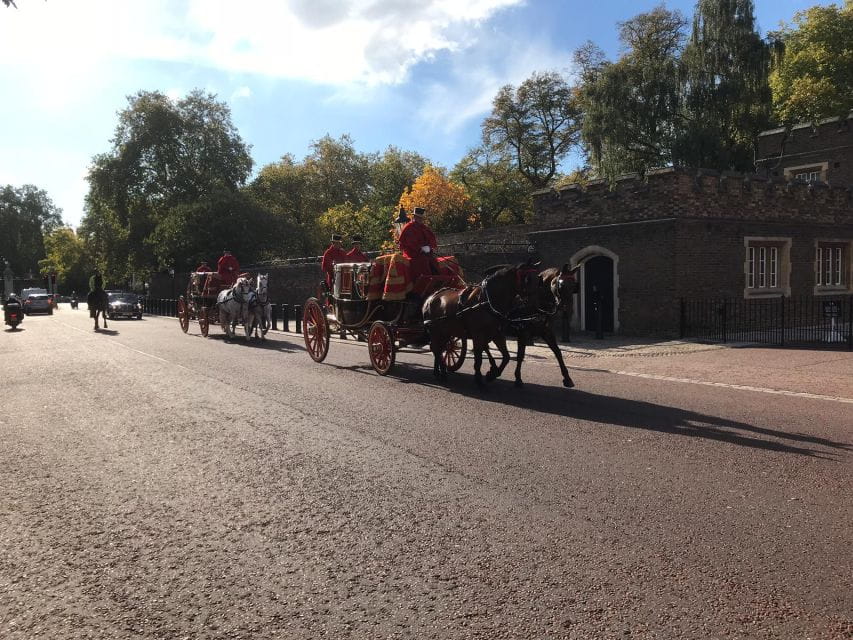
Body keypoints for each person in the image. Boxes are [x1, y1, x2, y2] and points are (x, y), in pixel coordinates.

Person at [398, 206, 438, 282]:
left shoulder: (424, 227)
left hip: (425, 253)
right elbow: (409, 242)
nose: (420, 219)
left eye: (421, 218)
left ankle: (437, 279)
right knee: (422, 262)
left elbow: (432, 239)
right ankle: (424, 281)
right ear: (414, 217)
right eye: (418, 217)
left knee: (433, 261)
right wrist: (420, 248)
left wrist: (429, 247)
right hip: (412, 254)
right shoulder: (408, 227)